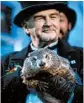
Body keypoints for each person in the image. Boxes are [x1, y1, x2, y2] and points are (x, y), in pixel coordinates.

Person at [1, 1, 83, 103]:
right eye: (39, 18)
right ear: (26, 27)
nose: (49, 24)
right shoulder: (4, 62)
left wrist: (71, 92)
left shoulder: (81, 56)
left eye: (53, 17)